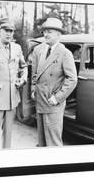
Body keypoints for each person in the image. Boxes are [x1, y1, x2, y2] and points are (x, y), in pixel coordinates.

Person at [30, 17, 77, 146]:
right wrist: (33, 89)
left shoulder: (65, 53)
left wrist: (57, 98)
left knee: (53, 142)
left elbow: (72, 79)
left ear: (58, 34)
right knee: (42, 141)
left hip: (53, 103)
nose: (45, 34)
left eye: (49, 31)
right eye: (44, 31)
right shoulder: (38, 50)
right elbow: (34, 74)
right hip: (40, 100)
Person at [0, 18, 27, 149]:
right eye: (6, 30)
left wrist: (23, 79)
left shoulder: (17, 48)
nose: (9, 34)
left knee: (8, 139)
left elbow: (23, 67)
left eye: (11, 31)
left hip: (12, 100)